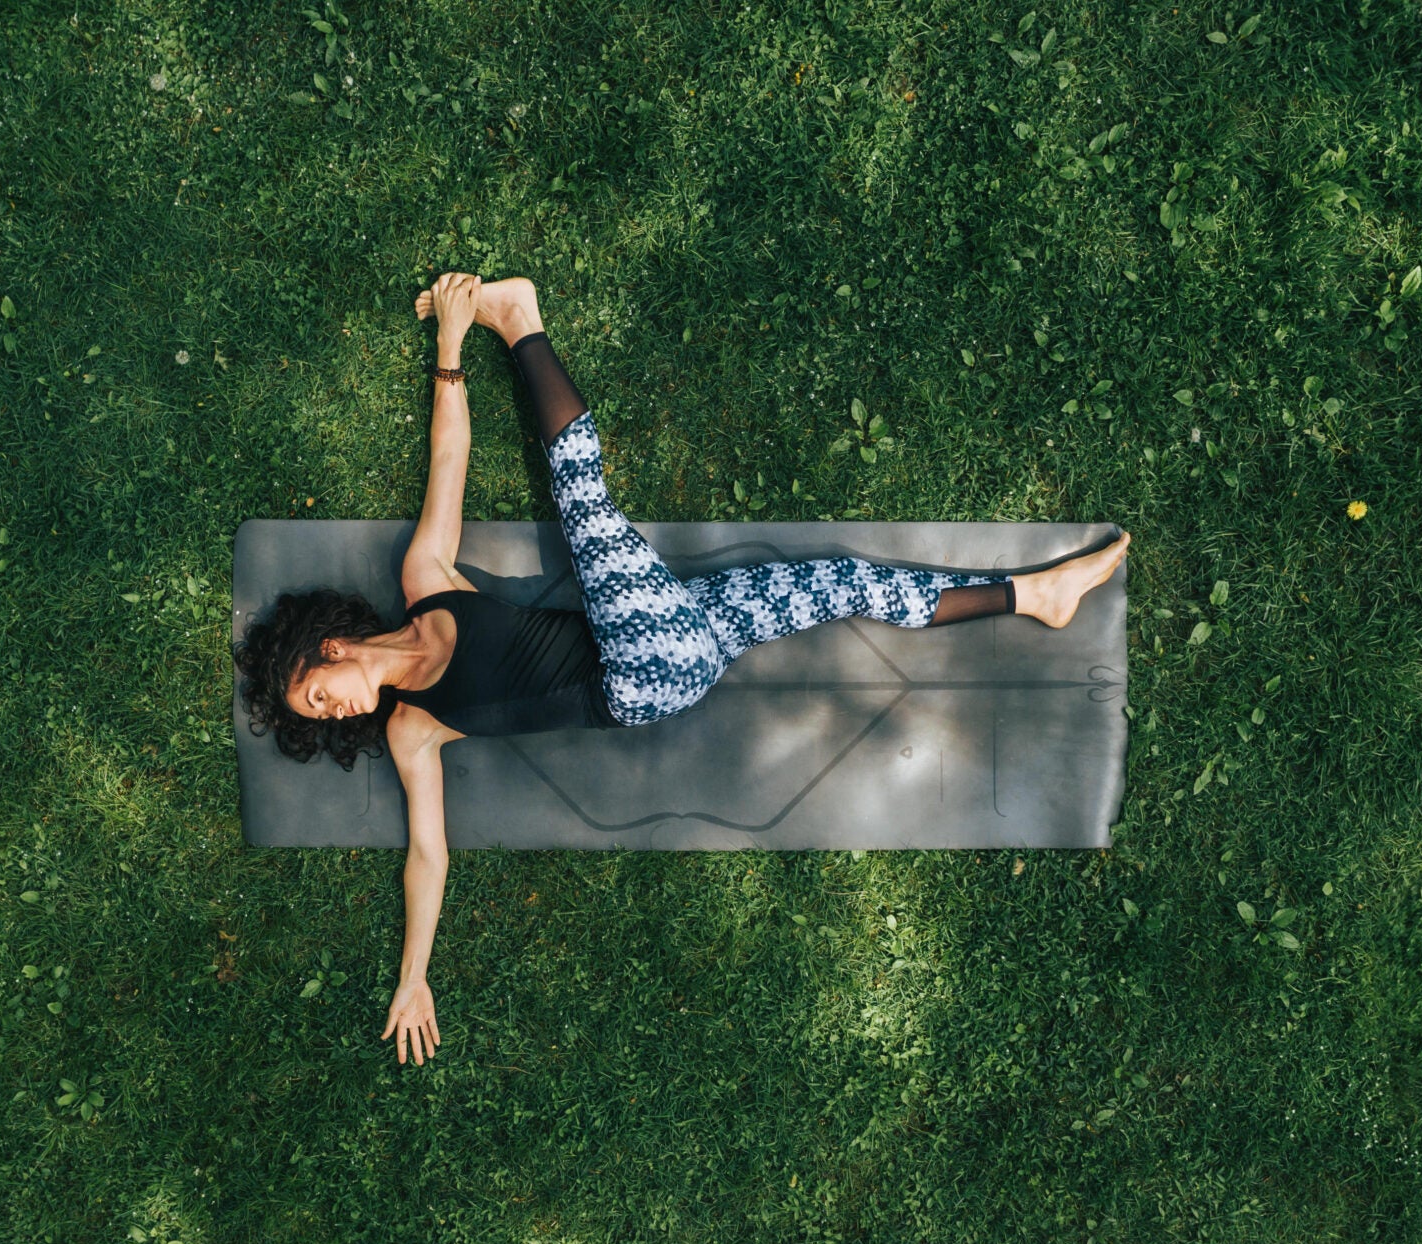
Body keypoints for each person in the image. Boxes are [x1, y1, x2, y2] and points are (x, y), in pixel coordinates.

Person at [235, 274, 1130, 1066]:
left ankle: (1032, 599)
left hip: (673, 628)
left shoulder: (424, 583)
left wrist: (446, 354)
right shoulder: (411, 728)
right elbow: (427, 854)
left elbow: (449, 462)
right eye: (321, 718)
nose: (335, 712)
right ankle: (522, 320)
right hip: (645, 680)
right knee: (585, 506)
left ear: (330, 647)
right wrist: (414, 978)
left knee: (842, 583)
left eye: (319, 695)